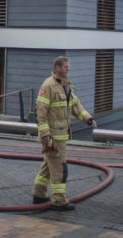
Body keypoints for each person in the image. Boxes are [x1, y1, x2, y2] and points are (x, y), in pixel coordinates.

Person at [32, 56, 97, 211]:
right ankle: (59, 201)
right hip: (52, 137)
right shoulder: (48, 86)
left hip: (60, 136)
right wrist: (46, 135)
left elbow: (76, 107)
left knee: (49, 166)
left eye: (68, 67)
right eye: (66, 67)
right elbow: (41, 113)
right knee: (60, 168)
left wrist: (88, 119)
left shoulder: (66, 86)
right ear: (58, 68)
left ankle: (39, 195)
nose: (69, 69)